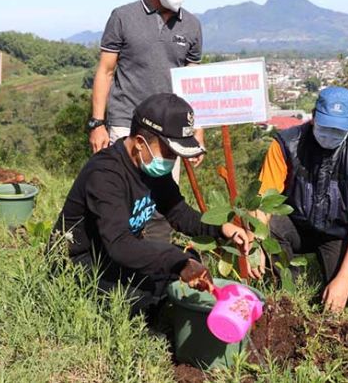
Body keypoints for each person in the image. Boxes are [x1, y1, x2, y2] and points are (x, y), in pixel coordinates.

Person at [50, 94, 259, 315]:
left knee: (183, 267)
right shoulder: (105, 175)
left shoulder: (151, 168)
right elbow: (120, 245)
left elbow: (179, 212)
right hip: (80, 263)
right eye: (169, 152)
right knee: (145, 294)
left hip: (114, 257)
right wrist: (180, 262)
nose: (173, 161)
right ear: (140, 143)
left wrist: (223, 228)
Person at [257, 87, 348, 313]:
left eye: (338, 130)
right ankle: (287, 287)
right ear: (314, 117)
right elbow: (264, 203)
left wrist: (343, 279)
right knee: (270, 227)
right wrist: (256, 248)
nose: (330, 134)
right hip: (294, 223)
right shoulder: (286, 144)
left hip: (336, 233)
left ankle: (333, 280)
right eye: (325, 127)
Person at [88, 0, 204, 160]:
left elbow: (193, 84)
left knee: (163, 191)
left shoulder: (192, 26)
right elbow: (105, 71)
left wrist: (197, 131)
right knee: (122, 188)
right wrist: (97, 123)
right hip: (125, 124)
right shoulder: (123, 17)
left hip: (169, 129)